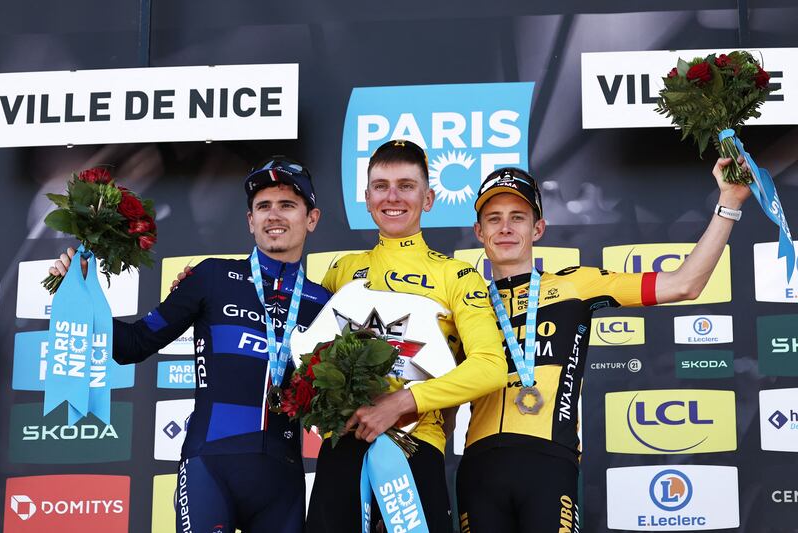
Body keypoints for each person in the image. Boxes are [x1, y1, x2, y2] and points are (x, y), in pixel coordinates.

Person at [455, 159, 750, 533]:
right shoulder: (464, 304)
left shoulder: (577, 284)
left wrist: (730, 202)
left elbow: (684, 284)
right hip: (479, 468)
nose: (506, 228)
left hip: (548, 464)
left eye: (518, 216)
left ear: (538, 228)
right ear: (479, 232)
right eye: (494, 219)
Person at [50, 157, 329, 533]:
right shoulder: (212, 276)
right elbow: (133, 344)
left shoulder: (325, 304)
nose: (273, 215)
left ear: (311, 218)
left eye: (287, 205)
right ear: (250, 221)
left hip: (284, 482)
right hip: (210, 468)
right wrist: (79, 300)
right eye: (263, 206)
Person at [305, 140, 508, 533]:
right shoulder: (343, 270)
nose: (392, 197)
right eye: (381, 186)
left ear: (429, 198)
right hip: (343, 443)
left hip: (415, 445)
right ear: (366, 198)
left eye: (406, 185)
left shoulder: (457, 275)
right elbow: (299, 334)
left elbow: (490, 367)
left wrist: (401, 402)